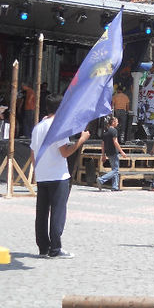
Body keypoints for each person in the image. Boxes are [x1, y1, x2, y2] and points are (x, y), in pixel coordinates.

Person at [30, 94, 90, 258]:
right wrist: (81, 140)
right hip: (57, 174)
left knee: (41, 213)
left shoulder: (38, 127)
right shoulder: (58, 126)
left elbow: (32, 151)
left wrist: (37, 170)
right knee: (58, 211)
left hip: (42, 174)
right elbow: (65, 152)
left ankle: (43, 247)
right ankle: (55, 249)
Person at [96, 115, 128, 191]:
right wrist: (122, 152)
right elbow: (115, 142)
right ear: (113, 122)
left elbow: (103, 144)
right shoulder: (113, 131)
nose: (117, 123)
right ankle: (101, 179)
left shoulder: (105, 131)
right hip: (113, 152)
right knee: (116, 170)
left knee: (114, 169)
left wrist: (103, 154)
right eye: (116, 122)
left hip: (108, 152)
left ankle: (115, 186)